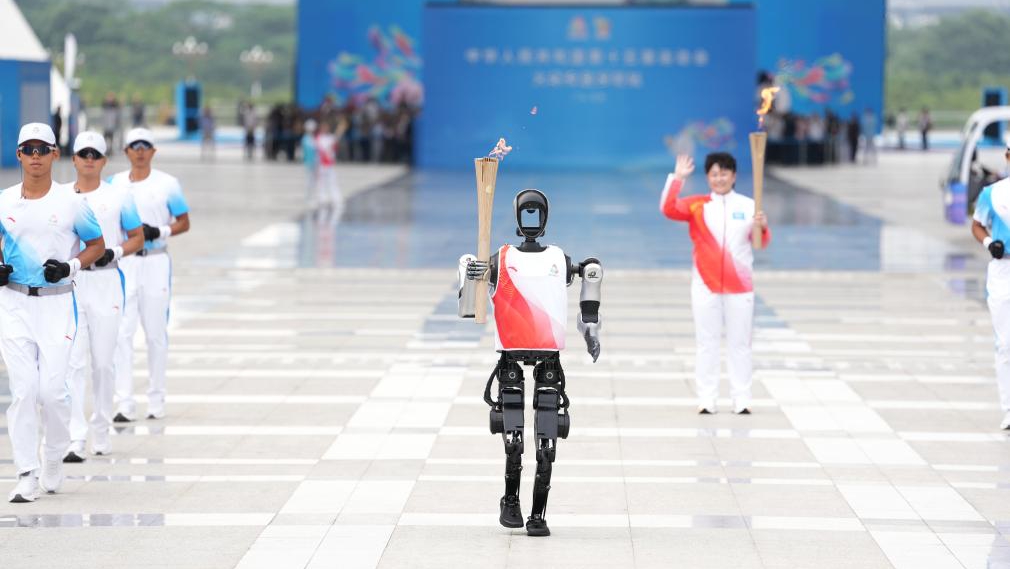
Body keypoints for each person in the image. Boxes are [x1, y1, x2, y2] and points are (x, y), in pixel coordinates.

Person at [459, 189, 602, 537]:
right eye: (527, 212)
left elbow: (591, 276)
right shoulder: (500, 258)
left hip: (548, 353)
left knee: (546, 442)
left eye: (536, 212)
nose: (532, 219)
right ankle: (511, 499)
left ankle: (538, 513)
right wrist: (469, 271)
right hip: (511, 351)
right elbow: (467, 305)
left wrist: (590, 327)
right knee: (514, 440)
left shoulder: (558, 259)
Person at [2, 123, 105, 502]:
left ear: (54, 154)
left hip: (58, 303)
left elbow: (97, 245)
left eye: (42, 149)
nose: (35, 156)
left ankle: (53, 456)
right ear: (18, 154)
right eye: (28, 149)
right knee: (24, 390)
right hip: (14, 303)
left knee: (53, 393)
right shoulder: (3, 201)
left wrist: (70, 266)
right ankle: (26, 472)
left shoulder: (71, 203)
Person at [660, 153, 770, 414]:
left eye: (724, 173)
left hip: (740, 286)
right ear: (708, 177)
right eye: (714, 174)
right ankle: (707, 398)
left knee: (740, 344)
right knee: (706, 343)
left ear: (734, 176)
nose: (719, 178)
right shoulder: (698, 205)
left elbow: (760, 243)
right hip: (705, 285)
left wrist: (762, 227)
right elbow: (668, 209)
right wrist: (677, 178)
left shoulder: (749, 206)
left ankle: (742, 398)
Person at [64, 132, 144, 462]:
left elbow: (138, 237)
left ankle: (100, 428)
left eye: (95, 154)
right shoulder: (61, 197)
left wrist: (116, 251)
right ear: (73, 159)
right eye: (83, 153)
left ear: (104, 161)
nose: (89, 159)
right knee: (73, 362)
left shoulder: (119, 197)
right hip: (72, 283)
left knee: (103, 362)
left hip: (107, 281)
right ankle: (75, 436)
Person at [109, 128, 191, 422]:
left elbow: (184, 221)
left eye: (145, 146)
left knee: (155, 333)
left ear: (153, 151)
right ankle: (124, 403)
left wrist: (161, 230)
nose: (140, 151)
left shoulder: (168, 184)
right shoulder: (114, 184)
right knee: (122, 333)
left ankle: (156, 400)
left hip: (155, 261)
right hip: (126, 263)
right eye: (135, 146)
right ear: (126, 151)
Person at [971, 145, 1010, 430]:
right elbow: (977, 225)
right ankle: (1009, 409)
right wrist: (988, 243)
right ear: (1007, 157)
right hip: (1003, 271)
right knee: (1006, 344)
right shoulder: (992, 194)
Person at [301, 119, 319, 203]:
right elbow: (306, 152)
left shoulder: (314, 138)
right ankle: (308, 197)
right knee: (309, 180)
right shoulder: (306, 139)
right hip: (309, 163)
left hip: (315, 162)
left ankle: (314, 196)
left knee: (314, 180)